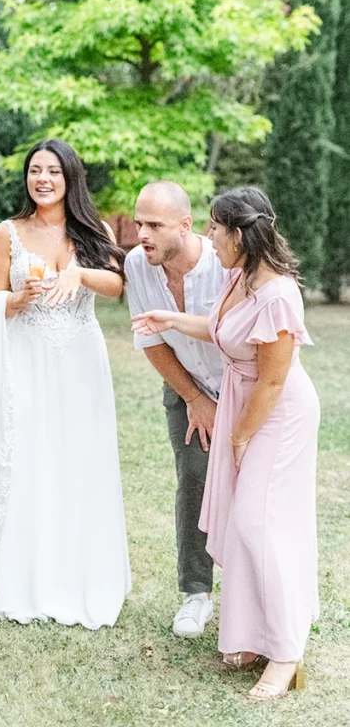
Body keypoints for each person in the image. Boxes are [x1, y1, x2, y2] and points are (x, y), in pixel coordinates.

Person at [132, 186, 319, 701]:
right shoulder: (240, 277)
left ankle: (285, 654)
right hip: (247, 405)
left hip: (274, 417)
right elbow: (221, 331)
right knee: (244, 526)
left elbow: (274, 382)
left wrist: (238, 435)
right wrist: (170, 320)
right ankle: (256, 637)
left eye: (215, 229)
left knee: (256, 526)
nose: (209, 239)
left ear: (238, 234)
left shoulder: (278, 294)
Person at [0, 139, 131, 630]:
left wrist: (80, 275)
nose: (43, 179)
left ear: (69, 177)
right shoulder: (8, 233)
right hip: (27, 359)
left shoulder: (92, 229)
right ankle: (27, 579)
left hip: (80, 359)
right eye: (35, 170)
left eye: (53, 171)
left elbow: (117, 285)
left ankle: (82, 575)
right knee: (31, 457)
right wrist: (20, 297)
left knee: (81, 458)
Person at [124, 182, 225, 638]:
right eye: (139, 222)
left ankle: (256, 591)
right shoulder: (136, 266)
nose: (141, 233)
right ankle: (195, 593)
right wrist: (194, 399)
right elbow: (151, 340)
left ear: (184, 227)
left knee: (252, 487)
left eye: (154, 225)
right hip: (185, 385)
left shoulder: (224, 264)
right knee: (195, 479)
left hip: (242, 386)